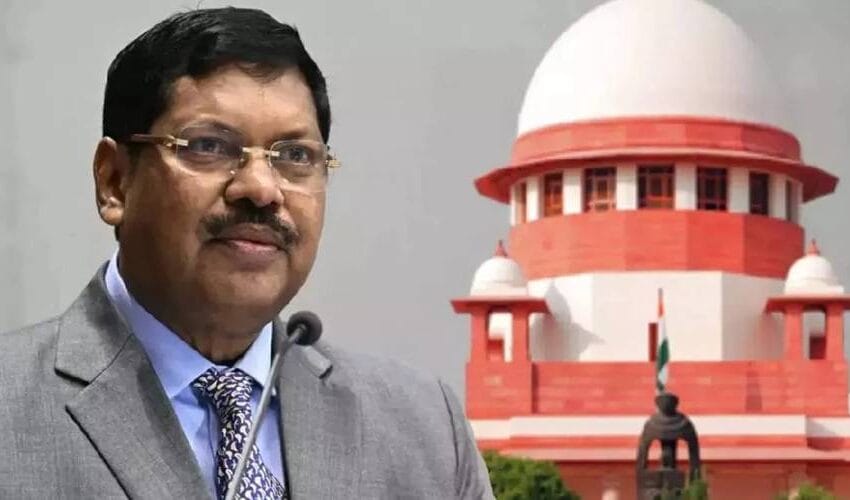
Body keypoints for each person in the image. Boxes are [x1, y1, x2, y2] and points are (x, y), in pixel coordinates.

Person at [0, 7, 493, 500]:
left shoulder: (424, 429)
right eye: (208, 146)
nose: (261, 189)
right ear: (114, 182)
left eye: (295, 156)